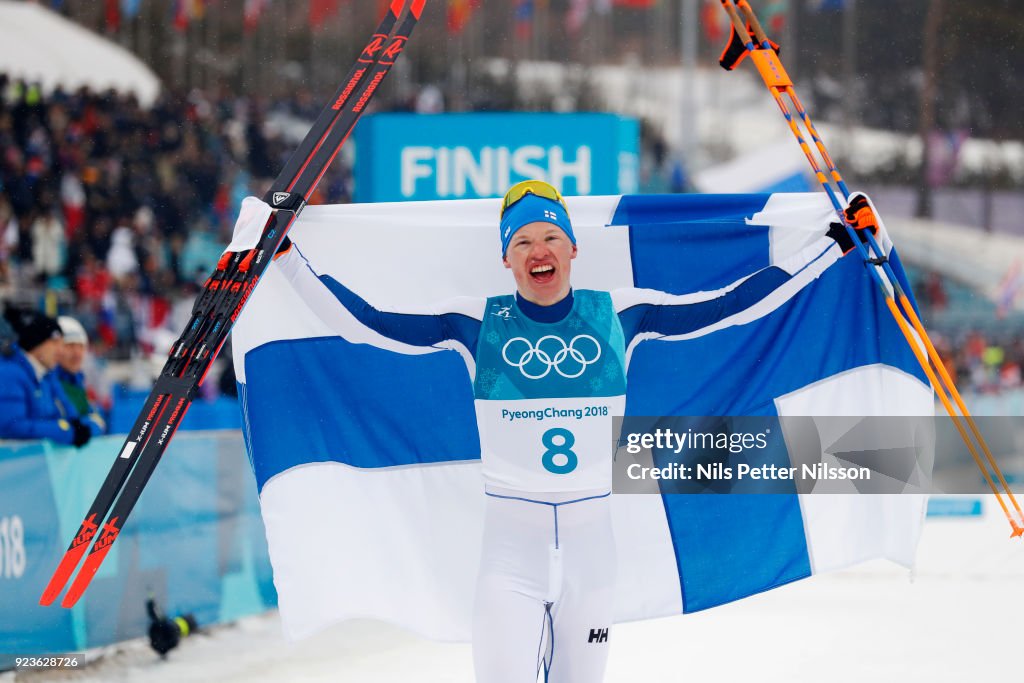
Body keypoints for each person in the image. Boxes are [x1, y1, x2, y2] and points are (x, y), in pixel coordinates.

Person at [268, 180, 874, 682]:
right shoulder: (477, 322)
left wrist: (833, 244)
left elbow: (731, 305)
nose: (539, 249)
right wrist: (289, 261)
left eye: (552, 236)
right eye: (524, 240)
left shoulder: (621, 312)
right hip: (510, 558)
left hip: (593, 556)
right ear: (506, 257)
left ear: (573, 248)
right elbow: (366, 324)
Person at [0, 307, 91, 447]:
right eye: (55, 343)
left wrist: (75, 429)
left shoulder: (44, 376)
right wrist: (66, 432)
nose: (61, 351)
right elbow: (10, 426)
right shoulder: (9, 374)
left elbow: (68, 416)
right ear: (37, 343)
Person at [55, 315, 107, 436]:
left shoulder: (78, 381)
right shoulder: (46, 383)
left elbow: (98, 422)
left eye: (81, 346)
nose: (77, 353)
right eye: (70, 345)